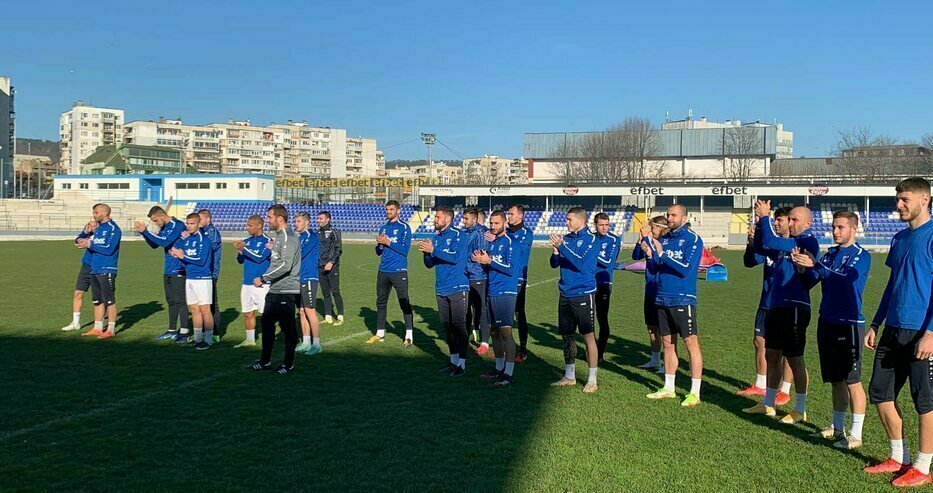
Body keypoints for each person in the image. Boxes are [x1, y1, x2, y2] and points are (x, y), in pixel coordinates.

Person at [862, 177, 933, 487]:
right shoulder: (900, 238)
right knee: (880, 393)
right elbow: (893, 285)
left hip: (922, 331)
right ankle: (898, 456)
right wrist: (876, 323)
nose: (899, 205)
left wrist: (931, 333)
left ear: (924, 200)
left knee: (924, 401)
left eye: (905, 199)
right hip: (893, 328)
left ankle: (922, 467)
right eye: (898, 199)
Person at [791, 211, 870, 450]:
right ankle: (837, 427)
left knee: (852, 380)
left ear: (854, 228)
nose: (835, 231)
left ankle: (856, 434)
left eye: (841, 227)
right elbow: (809, 283)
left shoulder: (861, 255)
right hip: (827, 321)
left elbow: (845, 279)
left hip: (849, 323)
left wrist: (816, 265)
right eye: (834, 227)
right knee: (836, 379)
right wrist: (801, 268)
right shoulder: (830, 254)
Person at [743, 201, 819, 423]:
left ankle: (800, 408)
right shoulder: (785, 243)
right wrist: (758, 228)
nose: (791, 223)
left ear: (808, 223)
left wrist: (765, 217)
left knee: (795, 359)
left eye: (795, 220)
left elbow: (771, 242)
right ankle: (768, 403)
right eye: (790, 219)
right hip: (776, 305)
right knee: (772, 355)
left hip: (795, 306)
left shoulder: (807, 241)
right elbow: (761, 249)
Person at [644, 205, 705, 407]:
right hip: (662, 297)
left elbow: (686, 268)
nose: (669, 218)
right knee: (668, 343)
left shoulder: (692, 240)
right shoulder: (665, 239)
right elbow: (656, 267)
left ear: (684, 218)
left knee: (690, 343)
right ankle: (668, 388)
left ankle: (695, 392)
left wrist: (662, 255)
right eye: (668, 215)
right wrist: (651, 255)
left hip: (682, 298)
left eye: (673, 215)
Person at [738, 207, 796, 407]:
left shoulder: (792, 245)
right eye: (775, 220)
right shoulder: (771, 246)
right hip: (766, 303)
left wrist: (763, 220)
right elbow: (750, 262)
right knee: (759, 342)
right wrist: (751, 243)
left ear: (790, 222)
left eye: (780, 220)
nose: (776, 223)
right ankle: (761, 384)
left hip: (785, 305)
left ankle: (785, 390)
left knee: (787, 349)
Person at [548, 207, 600, 394]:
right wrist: (556, 252)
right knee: (567, 336)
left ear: (581, 220)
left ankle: (592, 379)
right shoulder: (567, 239)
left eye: (570, 219)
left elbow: (580, 263)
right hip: (565, 293)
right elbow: (554, 264)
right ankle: (569, 376)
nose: (567, 222)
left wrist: (562, 247)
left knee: (588, 336)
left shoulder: (592, 240)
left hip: (583, 293)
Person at [247, 204, 302, 374]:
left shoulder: (287, 237)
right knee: (267, 325)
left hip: (286, 290)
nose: (268, 220)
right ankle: (265, 361)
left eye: (270, 217)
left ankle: (288, 364)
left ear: (280, 218)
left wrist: (263, 278)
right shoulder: (279, 237)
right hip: (275, 289)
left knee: (288, 329)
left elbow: (286, 265)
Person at [419, 206, 470, 377]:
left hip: (457, 286)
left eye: (438, 217)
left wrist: (433, 250)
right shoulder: (436, 238)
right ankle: (453, 361)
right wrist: (426, 254)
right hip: (441, 288)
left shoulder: (459, 235)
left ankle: (462, 363)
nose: (435, 219)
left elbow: (455, 258)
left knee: (459, 325)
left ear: (448, 219)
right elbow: (429, 264)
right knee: (447, 326)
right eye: (435, 217)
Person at [473, 210, 519, 386]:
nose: (492, 226)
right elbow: (491, 267)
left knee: (506, 332)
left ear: (505, 223)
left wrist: (490, 261)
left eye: (496, 223)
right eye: (491, 223)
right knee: (494, 332)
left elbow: (511, 269)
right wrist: (481, 261)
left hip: (505, 293)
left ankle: (509, 373)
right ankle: (499, 368)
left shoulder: (511, 243)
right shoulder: (493, 243)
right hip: (492, 291)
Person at [135, 207, 189, 343]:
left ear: (163, 216)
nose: (156, 223)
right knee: (171, 301)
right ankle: (171, 330)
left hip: (179, 268)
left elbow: (164, 242)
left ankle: (184, 332)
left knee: (180, 301)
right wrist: (143, 233)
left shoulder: (177, 225)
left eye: (156, 220)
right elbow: (155, 245)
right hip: (168, 269)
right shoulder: (165, 227)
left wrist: (146, 231)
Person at [368, 200, 415, 346]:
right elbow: (378, 252)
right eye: (387, 209)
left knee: (404, 302)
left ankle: (409, 335)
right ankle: (380, 333)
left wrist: (388, 242)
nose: (388, 212)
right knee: (381, 302)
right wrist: (380, 244)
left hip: (398, 271)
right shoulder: (383, 227)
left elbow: (405, 250)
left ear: (398, 211)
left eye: (391, 209)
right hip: (383, 270)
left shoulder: (404, 227)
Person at [75, 203, 121, 339]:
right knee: (97, 300)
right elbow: (84, 241)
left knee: (109, 300)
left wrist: (89, 244)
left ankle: (111, 329)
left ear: (105, 213)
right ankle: (97, 327)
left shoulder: (113, 229)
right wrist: (84, 238)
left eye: (96, 212)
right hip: (94, 268)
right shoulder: (98, 228)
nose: (93, 215)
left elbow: (109, 249)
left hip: (107, 268)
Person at [170, 213, 214, 350]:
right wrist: (177, 256)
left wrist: (183, 256)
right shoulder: (187, 240)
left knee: (205, 309)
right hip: (190, 278)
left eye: (192, 223)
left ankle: (208, 340)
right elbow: (186, 262)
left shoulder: (204, 240)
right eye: (187, 223)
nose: (189, 226)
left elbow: (201, 260)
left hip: (202, 279)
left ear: (199, 224)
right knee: (194, 309)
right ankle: (197, 338)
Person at [634, 216, 668, 373]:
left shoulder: (666, 243)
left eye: (652, 227)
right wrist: (640, 240)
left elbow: (658, 261)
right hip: (650, 290)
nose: (650, 230)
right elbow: (636, 256)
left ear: (660, 228)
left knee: (666, 331)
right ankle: (655, 361)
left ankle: (668, 363)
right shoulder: (649, 240)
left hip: (662, 290)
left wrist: (647, 239)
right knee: (652, 328)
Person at [233, 215, 271, 348]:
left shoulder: (268, 241)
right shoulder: (247, 241)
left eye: (250, 225)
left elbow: (260, 258)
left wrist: (244, 249)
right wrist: (240, 251)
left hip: (261, 284)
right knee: (248, 313)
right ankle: (250, 340)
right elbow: (240, 261)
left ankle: (268, 341)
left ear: (259, 226)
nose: (247, 228)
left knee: (266, 314)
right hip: (247, 283)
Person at [503, 204, 533, 362]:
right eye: (508, 214)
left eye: (511, 214)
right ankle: (505, 347)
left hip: (518, 278)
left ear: (521, 216)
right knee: (503, 313)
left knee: (519, 313)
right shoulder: (506, 232)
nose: (509, 216)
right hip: (503, 277)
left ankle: (522, 349)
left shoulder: (526, 233)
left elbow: (515, 250)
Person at [593, 212, 621, 363]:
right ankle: (591, 351)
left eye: (607, 225)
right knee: (588, 320)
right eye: (601, 225)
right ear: (595, 225)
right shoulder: (591, 238)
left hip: (604, 283)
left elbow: (608, 262)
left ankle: (600, 354)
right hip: (589, 283)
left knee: (602, 318)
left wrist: (590, 253)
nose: (604, 228)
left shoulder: (613, 239)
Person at [60, 217, 98, 332]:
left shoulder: (104, 233)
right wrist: (84, 233)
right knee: (78, 293)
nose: (92, 227)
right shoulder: (89, 233)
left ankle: (98, 325)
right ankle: (75, 323)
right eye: (90, 225)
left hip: (99, 267)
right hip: (86, 266)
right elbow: (77, 241)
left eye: (94, 225)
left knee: (98, 298)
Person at [462, 208, 491, 353]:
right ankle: (466, 339)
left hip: (478, 275)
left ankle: (485, 342)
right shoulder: (465, 232)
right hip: (465, 276)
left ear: (475, 219)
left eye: (466, 218)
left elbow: (480, 254)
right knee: (466, 310)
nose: (463, 221)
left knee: (481, 309)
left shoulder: (481, 233)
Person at [295, 212, 322, 355]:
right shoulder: (299, 237)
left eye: (298, 221)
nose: (296, 224)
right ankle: (306, 342)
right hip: (300, 277)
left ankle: (316, 344)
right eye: (295, 221)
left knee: (310, 310)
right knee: (301, 311)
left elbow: (300, 254)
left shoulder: (312, 236)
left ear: (307, 222)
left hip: (309, 277)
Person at [198, 209, 223, 342]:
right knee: (202, 304)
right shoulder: (201, 232)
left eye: (201, 219)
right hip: (201, 273)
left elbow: (208, 249)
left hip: (210, 273)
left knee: (212, 304)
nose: (199, 221)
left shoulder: (212, 232)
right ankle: (204, 331)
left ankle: (215, 333)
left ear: (208, 219)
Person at [317, 211, 345, 326]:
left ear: (327, 219)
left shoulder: (334, 231)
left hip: (332, 267)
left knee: (335, 291)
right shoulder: (317, 232)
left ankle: (340, 316)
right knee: (325, 292)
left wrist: (331, 262)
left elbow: (339, 249)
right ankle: (328, 317)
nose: (318, 220)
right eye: (318, 218)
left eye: (321, 218)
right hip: (320, 266)